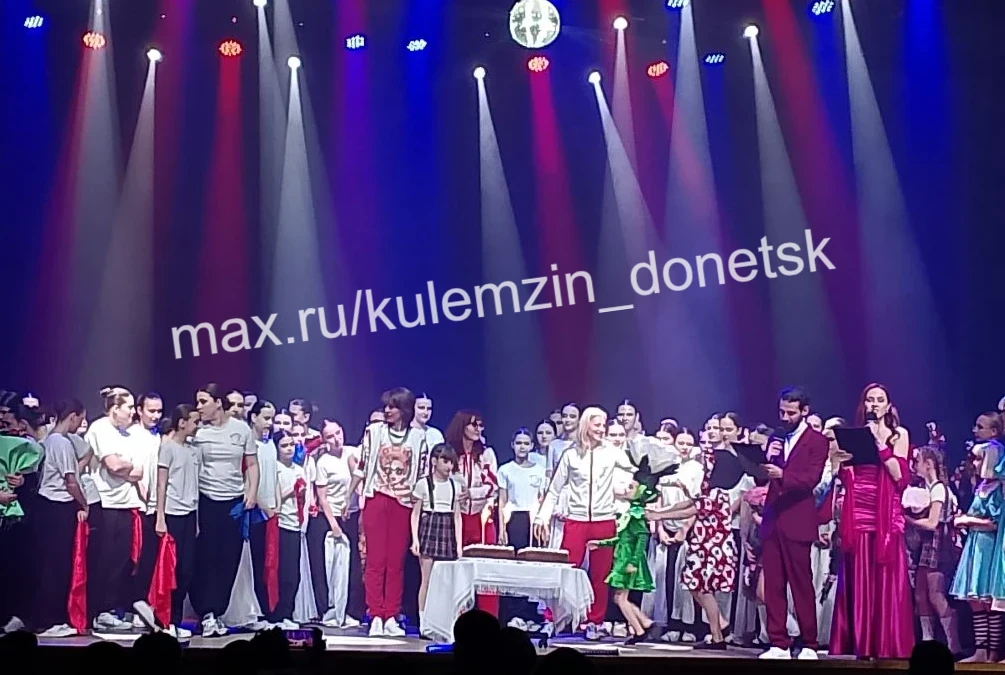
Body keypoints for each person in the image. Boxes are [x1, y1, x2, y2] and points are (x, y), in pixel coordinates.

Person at [534, 407, 635, 640]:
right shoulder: (570, 454)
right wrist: (542, 516)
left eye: (603, 425)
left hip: (604, 521)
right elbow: (554, 489)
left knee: (600, 576)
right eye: (597, 425)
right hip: (576, 520)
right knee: (565, 570)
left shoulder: (612, 452)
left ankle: (594, 622)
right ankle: (554, 618)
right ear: (586, 425)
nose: (601, 429)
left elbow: (636, 474)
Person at [829, 383, 914, 659]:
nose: (874, 404)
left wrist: (879, 443)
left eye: (879, 400)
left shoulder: (899, 434)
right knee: (859, 573)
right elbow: (846, 476)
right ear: (863, 404)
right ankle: (861, 642)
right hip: (859, 509)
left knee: (886, 574)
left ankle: (887, 643)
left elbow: (899, 475)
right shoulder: (855, 434)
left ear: (888, 406)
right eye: (870, 400)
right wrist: (839, 463)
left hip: (885, 511)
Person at [349, 387, 428, 637]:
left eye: (393, 406)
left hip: (403, 503)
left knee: (395, 563)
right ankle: (375, 614)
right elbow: (362, 467)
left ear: (404, 409)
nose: (387, 410)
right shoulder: (374, 432)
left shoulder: (418, 438)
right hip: (377, 498)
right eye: (386, 406)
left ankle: (391, 615)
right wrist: (348, 496)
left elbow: (422, 474)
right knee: (375, 560)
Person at [757, 387, 829, 660]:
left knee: (801, 585)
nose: (785, 417)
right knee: (773, 585)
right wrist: (765, 460)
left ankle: (809, 643)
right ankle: (779, 643)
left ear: (804, 412)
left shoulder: (817, 441)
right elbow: (762, 478)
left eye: (791, 413)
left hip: (797, 519)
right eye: (782, 412)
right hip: (773, 519)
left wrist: (782, 474)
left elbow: (811, 480)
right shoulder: (776, 437)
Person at [190, 384, 259, 637]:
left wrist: (252, 493)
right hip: (206, 499)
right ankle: (206, 613)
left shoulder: (241, 430)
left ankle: (218, 611)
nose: (199, 407)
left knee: (229, 558)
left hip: (234, 502)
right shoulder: (198, 432)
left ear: (218, 402)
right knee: (206, 558)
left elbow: (252, 464)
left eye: (203, 401)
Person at [949, 416, 1005, 663]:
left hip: (988, 547)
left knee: (989, 599)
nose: (975, 463)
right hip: (975, 546)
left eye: (980, 459)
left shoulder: (997, 490)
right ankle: (981, 649)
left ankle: (992, 652)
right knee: (975, 600)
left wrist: (968, 520)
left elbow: (994, 523)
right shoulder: (982, 486)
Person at [34, 399, 90, 638]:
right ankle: (52, 620)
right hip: (57, 506)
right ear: (73, 416)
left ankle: (49, 618)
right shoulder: (62, 442)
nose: (80, 424)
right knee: (57, 565)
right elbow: (71, 481)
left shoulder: (49, 440)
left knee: (51, 563)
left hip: (48, 506)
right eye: (80, 419)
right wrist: (84, 503)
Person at [906, 444, 961, 655]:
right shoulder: (925, 489)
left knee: (936, 594)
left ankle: (953, 644)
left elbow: (932, 522)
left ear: (929, 464)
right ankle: (927, 640)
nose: (914, 466)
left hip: (938, 544)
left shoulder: (939, 489)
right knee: (921, 595)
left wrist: (907, 519)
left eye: (917, 462)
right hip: (925, 546)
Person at [152, 405, 201, 638]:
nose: (197, 426)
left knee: (187, 570)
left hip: (190, 515)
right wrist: (160, 517)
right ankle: (165, 620)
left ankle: (177, 619)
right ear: (182, 422)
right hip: (172, 514)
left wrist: (197, 519)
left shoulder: (192, 451)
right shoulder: (168, 448)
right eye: (194, 421)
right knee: (170, 569)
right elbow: (161, 484)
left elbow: (195, 486)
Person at [411, 443, 463, 630]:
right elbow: (415, 513)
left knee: (446, 581)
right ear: (434, 461)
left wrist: (459, 544)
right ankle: (423, 621)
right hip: (430, 526)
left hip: (447, 528)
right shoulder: (423, 484)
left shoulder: (455, 485)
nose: (449, 466)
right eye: (445, 461)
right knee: (427, 579)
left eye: (452, 462)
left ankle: (444, 622)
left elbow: (457, 516)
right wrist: (415, 540)